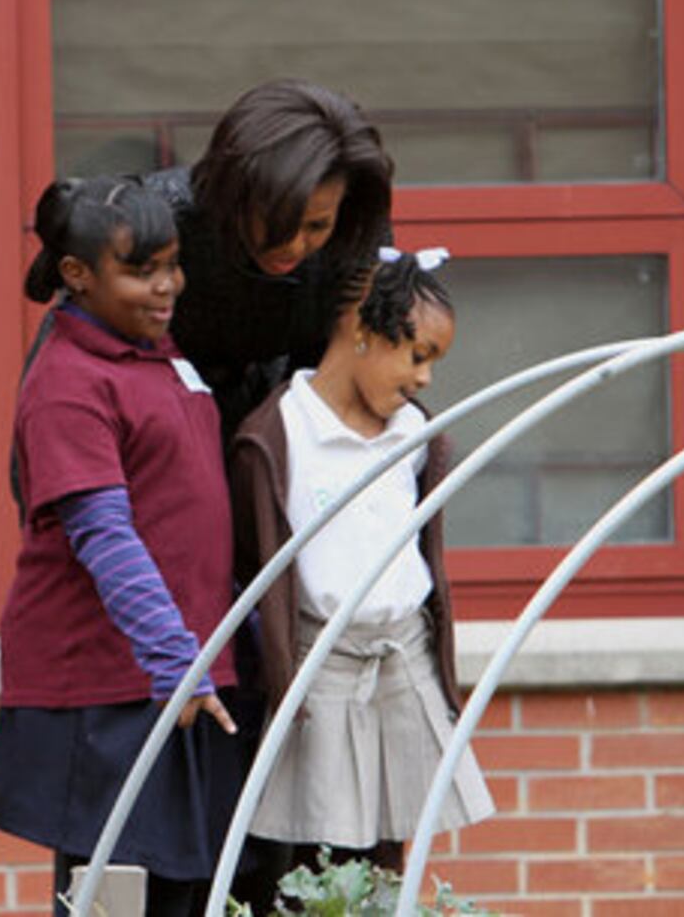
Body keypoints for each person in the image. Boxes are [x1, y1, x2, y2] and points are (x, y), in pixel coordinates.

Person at [0, 176, 244, 917]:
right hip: (110, 690)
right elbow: (105, 535)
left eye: (172, 264)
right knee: (116, 902)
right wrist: (176, 660)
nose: (167, 288)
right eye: (140, 270)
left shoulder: (159, 356)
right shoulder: (68, 381)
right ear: (77, 274)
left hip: (176, 679)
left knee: (183, 898)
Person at [227, 248, 493, 887]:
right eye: (417, 355)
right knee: (306, 861)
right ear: (361, 332)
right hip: (321, 670)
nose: (425, 379)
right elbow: (249, 565)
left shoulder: (415, 435)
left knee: (386, 861)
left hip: (402, 662)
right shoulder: (277, 437)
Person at [145, 77, 395, 440]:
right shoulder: (160, 219)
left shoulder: (356, 238)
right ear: (236, 192)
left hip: (279, 414)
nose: (293, 245)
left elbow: (341, 361)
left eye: (317, 225)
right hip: (153, 419)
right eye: (277, 222)